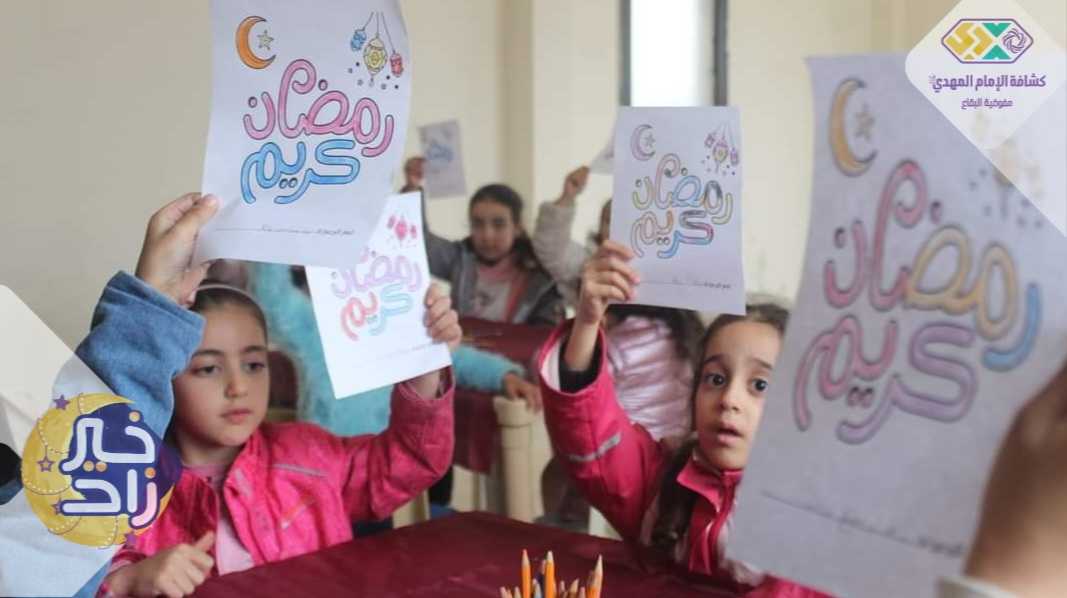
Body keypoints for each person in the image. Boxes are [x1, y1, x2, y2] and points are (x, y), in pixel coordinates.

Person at [97, 249, 462, 596]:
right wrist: (128, 580)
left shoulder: (312, 457)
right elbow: (79, 573)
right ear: (165, 377)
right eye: (208, 369)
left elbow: (408, 461)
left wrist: (424, 366)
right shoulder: (125, 487)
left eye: (254, 365)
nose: (238, 387)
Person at [538, 240, 826, 596]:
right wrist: (586, 321)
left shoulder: (815, 522)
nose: (730, 400)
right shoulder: (661, 482)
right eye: (715, 379)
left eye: (760, 385)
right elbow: (591, 437)